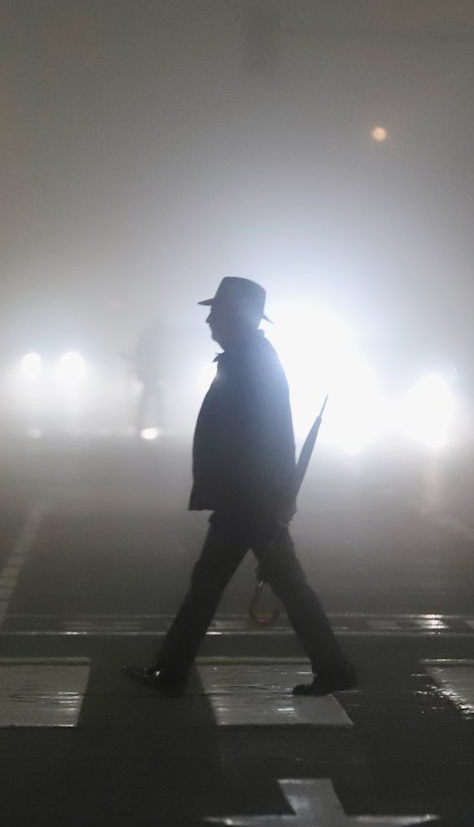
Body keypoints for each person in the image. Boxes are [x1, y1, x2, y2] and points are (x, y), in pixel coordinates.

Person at [123, 277, 357, 697]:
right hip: (251, 497)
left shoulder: (248, 361)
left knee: (212, 585)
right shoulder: (249, 358)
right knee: (268, 584)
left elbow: (255, 438)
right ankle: (332, 667)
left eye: (217, 311)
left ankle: (172, 671)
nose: (210, 318)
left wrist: (256, 498)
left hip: (247, 499)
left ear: (236, 316)